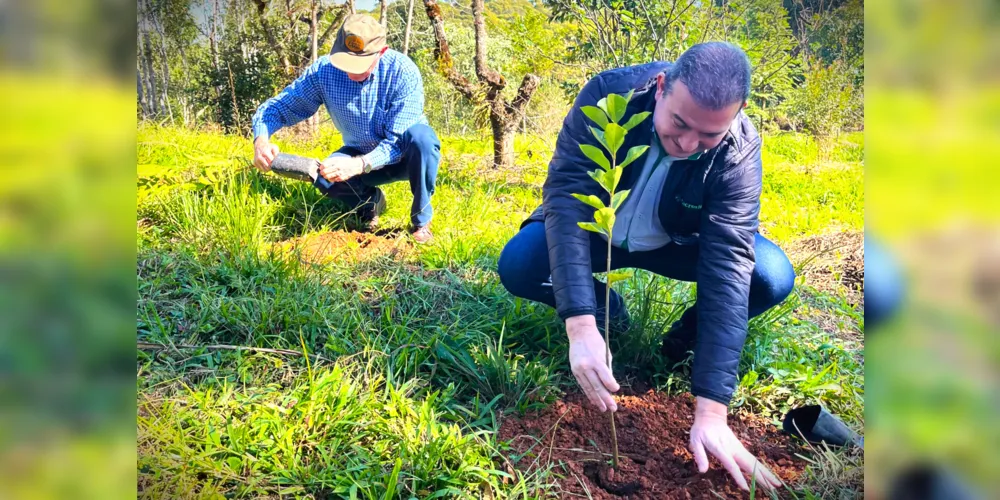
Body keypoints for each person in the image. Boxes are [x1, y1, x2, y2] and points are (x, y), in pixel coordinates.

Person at [497, 42, 795, 491]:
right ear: (661, 88)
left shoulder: (738, 149)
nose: (689, 144)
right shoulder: (608, 99)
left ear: (738, 113)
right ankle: (605, 311)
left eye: (708, 135)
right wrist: (580, 324)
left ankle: (680, 342)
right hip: (598, 232)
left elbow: (728, 262)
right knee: (521, 264)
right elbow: (565, 200)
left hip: (676, 241)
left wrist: (712, 409)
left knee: (769, 275)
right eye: (679, 123)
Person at [251, 14, 439, 243]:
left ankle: (421, 221)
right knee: (325, 175)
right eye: (345, 62)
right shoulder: (324, 71)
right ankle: (369, 203)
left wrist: (358, 165)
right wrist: (261, 139)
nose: (350, 72)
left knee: (422, 138)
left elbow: (398, 142)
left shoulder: (403, 72)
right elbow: (278, 108)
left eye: (359, 65)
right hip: (358, 150)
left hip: (405, 156)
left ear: (381, 52)